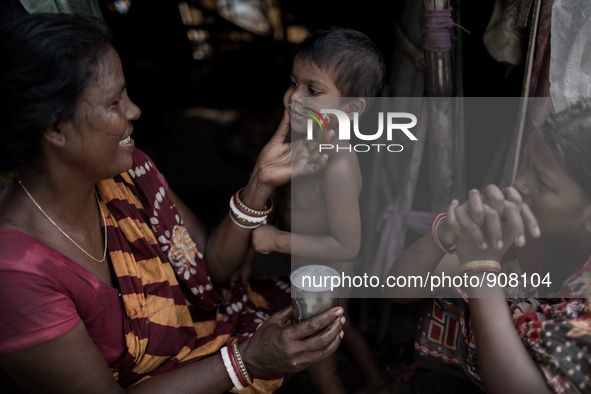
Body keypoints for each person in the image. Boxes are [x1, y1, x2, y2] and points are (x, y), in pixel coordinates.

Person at [0, 13, 346, 394]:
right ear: (54, 129)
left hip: (197, 340)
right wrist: (247, 361)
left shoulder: (128, 173)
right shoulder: (14, 273)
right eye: (115, 101)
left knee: (312, 307)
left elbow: (209, 268)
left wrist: (259, 183)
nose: (134, 111)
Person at [389, 100, 591, 393]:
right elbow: (399, 289)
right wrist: (444, 234)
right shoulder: (523, 229)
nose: (520, 184)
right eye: (528, 165)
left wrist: (480, 269)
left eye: (543, 183)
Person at [231, 27, 388, 394]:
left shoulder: (339, 166)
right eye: (293, 83)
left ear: (351, 108)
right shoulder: (302, 142)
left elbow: (346, 246)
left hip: (329, 274)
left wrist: (274, 240)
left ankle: (374, 383)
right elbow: (277, 199)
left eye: (312, 91)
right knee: (340, 333)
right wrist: (251, 255)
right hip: (304, 271)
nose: (294, 98)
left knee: (318, 365)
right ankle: (377, 383)